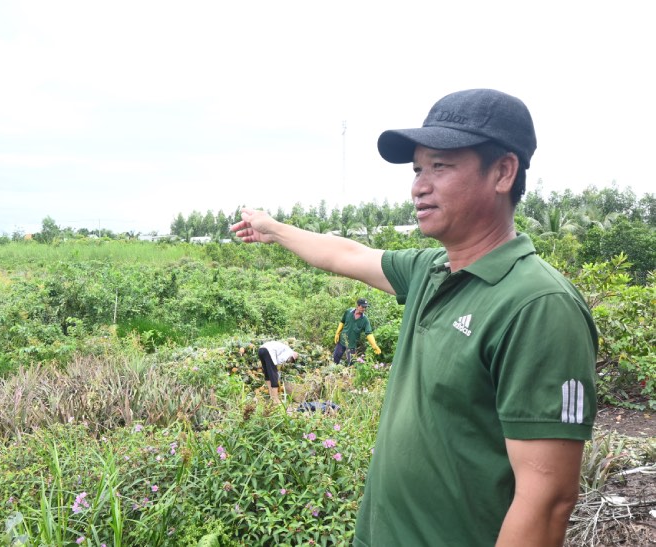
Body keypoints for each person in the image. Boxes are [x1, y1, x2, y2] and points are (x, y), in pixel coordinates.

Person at [232, 89, 597, 546]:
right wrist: (273, 228)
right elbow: (348, 254)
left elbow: (547, 500)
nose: (419, 185)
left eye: (440, 166)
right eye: (418, 169)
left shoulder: (538, 305)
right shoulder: (431, 270)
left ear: (503, 172)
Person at [333, 297, 382, 364]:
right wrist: (337, 333)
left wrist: (374, 345)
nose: (364, 309)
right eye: (362, 307)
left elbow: (369, 333)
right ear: (357, 306)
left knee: (352, 363)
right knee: (335, 358)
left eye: (365, 307)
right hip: (342, 340)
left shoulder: (365, 320)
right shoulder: (348, 312)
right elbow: (342, 322)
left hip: (352, 345)